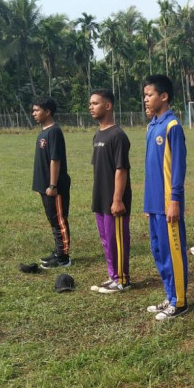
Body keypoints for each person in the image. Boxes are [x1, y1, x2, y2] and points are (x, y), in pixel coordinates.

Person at [143, 74, 189, 320]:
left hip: (168, 204)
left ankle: (180, 302)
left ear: (164, 96)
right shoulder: (152, 125)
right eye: (145, 95)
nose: (146, 99)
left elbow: (178, 169)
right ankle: (169, 296)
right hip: (153, 204)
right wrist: (148, 203)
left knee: (173, 253)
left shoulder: (172, 126)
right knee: (159, 252)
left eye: (149, 94)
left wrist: (174, 201)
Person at [88, 89, 132, 293]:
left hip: (115, 199)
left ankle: (122, 279)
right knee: (106, 239)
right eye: (90, 104)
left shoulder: (118, 135)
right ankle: (113, 275)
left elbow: (121, 169)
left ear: (108, 106)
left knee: (117, 240)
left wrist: (117, 199)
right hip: (100, 197)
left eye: (95, 103)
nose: (91, 107)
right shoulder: (97, 135)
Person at [31, 97, 72, 269]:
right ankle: (58, 250)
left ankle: (63, 257)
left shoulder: (54, 132)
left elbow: (55, 160)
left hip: (54, 187)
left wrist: (53, 185)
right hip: (45, 186)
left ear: (48, 112)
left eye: (37, 110)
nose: (34, 113)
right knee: (52, 220)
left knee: (59, 220)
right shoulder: (43, 132)